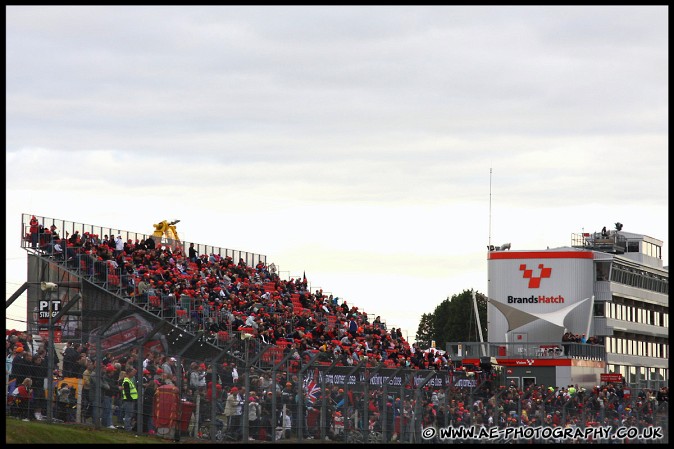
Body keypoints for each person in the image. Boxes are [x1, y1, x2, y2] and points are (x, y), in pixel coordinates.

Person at [121, 367, 139, 431]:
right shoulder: (126, 381)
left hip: (131, 400)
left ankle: (128, 426)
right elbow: (127, 392)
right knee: (128, 415)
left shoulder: (129, 380)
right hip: (129, 400)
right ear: (129, 373)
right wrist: (130, 398)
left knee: (129, 414)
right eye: (132, 372)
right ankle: (127, 428)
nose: (133, 374)